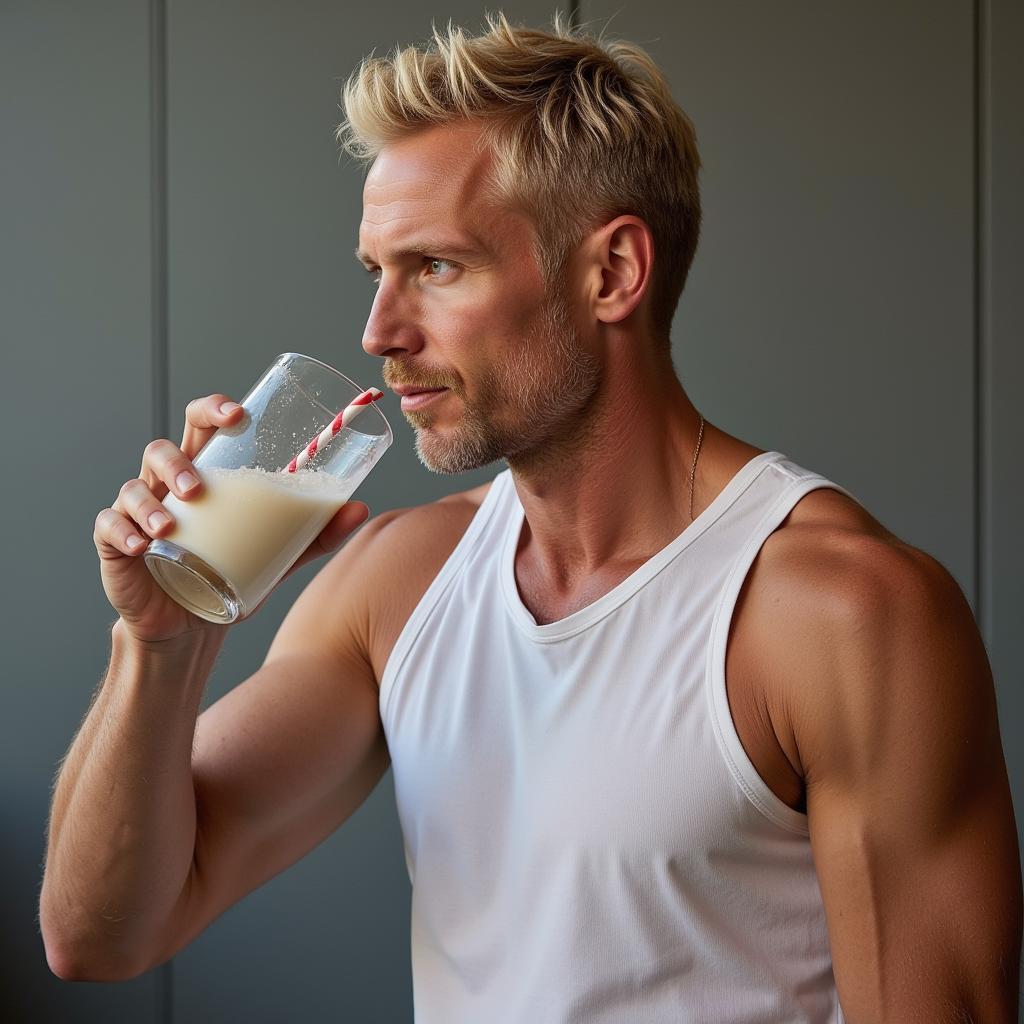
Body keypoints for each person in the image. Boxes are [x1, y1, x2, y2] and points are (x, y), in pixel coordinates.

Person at [40, 12, 1020, 1022]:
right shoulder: (402, 578)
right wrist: (161, 643)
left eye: (437, 267)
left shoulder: (841, 614)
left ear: (611, 273)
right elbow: (102, 933)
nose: (381, 331)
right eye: (375, 271)